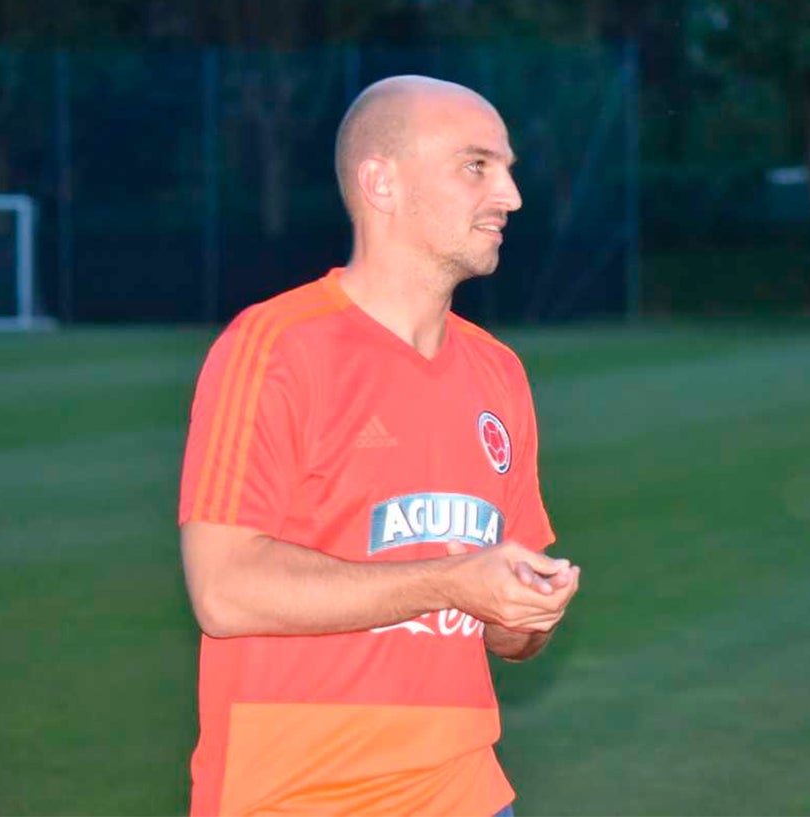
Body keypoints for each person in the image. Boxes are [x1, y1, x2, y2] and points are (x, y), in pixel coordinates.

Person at [177, 75, 581, 816]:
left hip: (468, 793)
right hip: (297, 799)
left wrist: (526, 616)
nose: (511, 196)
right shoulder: (273, 348)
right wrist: (453, 580)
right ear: (380, 182)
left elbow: (503, 629)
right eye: (477, 166)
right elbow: (223, 588)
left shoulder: (499, 372)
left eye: (509, 169)